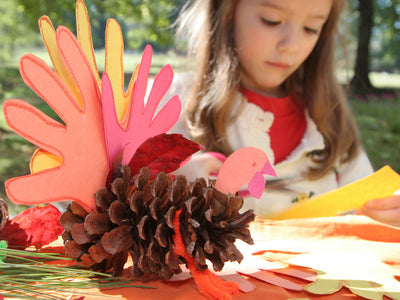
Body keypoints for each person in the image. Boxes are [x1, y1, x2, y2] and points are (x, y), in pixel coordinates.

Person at [160, 0, 400, 226]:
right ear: (226, 9)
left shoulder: (330, 116)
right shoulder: (169, 102)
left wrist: (387, 211)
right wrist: (166, 181)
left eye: (311, 28)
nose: (291, 45)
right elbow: (130, 204)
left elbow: (365, 206)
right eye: (271, 20)